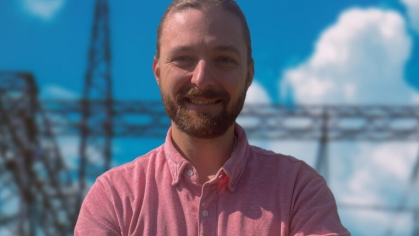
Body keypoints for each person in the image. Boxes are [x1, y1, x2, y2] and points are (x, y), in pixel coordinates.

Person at [75, 0, 350, 235]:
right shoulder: (114, 198)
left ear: (249, 74)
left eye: (224, 59)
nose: (202, 79)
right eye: (183, 58)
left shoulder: (298, 191)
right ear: (158, 72)